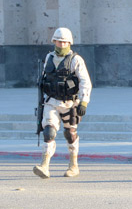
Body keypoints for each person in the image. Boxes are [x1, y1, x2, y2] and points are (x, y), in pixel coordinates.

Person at [33, 27, 92, 179]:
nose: (61, 45)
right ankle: (44, 165)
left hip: (70, 103)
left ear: (69, 43)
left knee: (70, 134)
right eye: (58, 42)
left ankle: (73, 165)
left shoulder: (76, 60)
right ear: (54, 42)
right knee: (49, 132)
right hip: (51, 101)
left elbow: (85, 81)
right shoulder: (49, 58)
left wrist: (83, 102)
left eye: (64, 42)